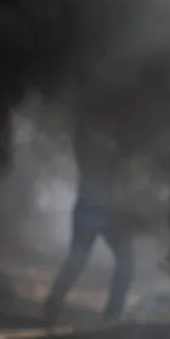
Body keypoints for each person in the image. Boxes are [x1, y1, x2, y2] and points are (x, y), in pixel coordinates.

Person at [43, 119, 135, 327]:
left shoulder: (98, 142)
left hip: (105, 210)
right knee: (81, 260)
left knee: (119, 262)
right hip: (96, 208)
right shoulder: (92, 143)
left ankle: (110, 314)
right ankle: (109, 315)